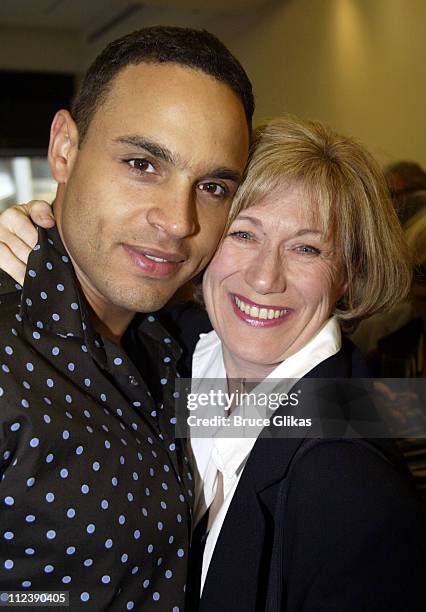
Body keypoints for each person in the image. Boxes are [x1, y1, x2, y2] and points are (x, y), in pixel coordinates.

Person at [2, 118, 425, 611]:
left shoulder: (350, 492)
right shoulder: (162, 346)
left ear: (350, 272)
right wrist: (40, 239)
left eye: (307, 248)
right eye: (244, 235)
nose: (266, 278)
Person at [0, 26, 253, 611]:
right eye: (143, 163)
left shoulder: (173, 344)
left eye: (213, 185)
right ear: (64, 148)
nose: (178, 221)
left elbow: (354, 415)